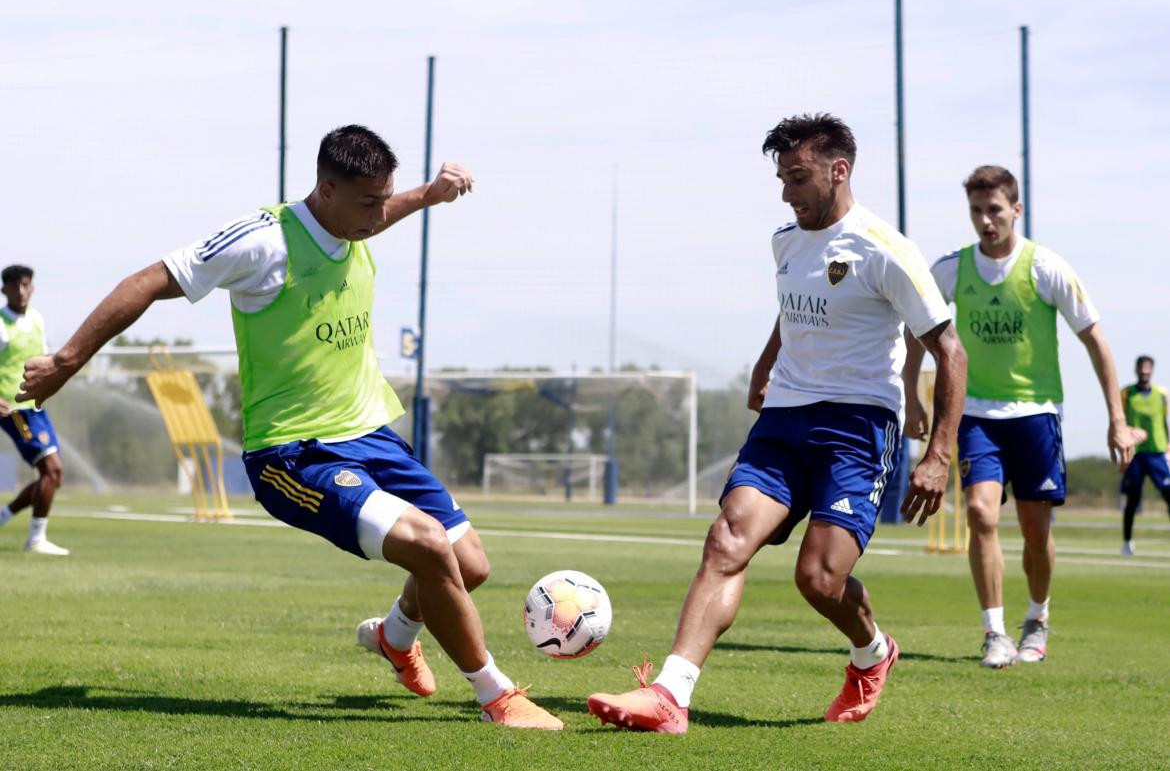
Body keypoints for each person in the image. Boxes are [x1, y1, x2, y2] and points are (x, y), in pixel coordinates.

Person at [18, 125, 562, 730]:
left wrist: (428, 195)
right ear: (326, 190)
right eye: (368, 202)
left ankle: (395, 635)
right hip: (294, 455)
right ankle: (497, 696)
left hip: (372, 434)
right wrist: (66, 361)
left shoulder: (359, 220)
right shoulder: (262, 242)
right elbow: (147, 281)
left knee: (469, 565)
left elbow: (383, 212)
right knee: (430, 547)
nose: (380, 215)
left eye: (386, 200)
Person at [586, 113, 967, 732]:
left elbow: (950, 349)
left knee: (818, 578)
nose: (788, 192)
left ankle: (873, 652)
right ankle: (670, 695)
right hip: (786, 418)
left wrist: (938, 454)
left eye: (798, 177)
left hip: (859, 427)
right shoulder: (786, 241)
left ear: (838, 170)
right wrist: (765, 367)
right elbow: (793, 310)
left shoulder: (885, 249)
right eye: (783, 179)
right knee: (727, 539)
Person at [904, 164, 1139, 669]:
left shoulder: (1045, 267)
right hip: (977, 415)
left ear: (1016, 209)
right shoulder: (952, 269)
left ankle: (1037, 620)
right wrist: (911, 392)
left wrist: (1116, 418)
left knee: (1036, 533)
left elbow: (1095, 339)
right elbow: (914, 328)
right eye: (976, 211)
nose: (986, 221)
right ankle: (994, 633)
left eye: (994, 210)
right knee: (980, 515)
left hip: (1036, 416)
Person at [0, 264, 69, 555]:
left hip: (35, 405)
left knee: (53, 476)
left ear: (33, 288)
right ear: (4, 290)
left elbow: (42, 358)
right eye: (14, 286)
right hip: (12, 407)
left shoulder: (37, 320)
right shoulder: (1, 323)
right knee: (52, 470)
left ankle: (4, 516)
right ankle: (36, 539)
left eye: (25, 285)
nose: (21, 291)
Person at [1119, 355, 1170, 556]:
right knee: (1133, 499)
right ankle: (1127, 542)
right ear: (1137, 369)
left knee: (1169, 494)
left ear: (1152, 370)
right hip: (1135, 454)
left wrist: (1168, 447)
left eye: (1148, 367)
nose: (1144, 371)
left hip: (1157, 453)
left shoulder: (1161, 394)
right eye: (1141, 367)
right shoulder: (1127, 393)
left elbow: (1164, 422)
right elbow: (1119, 421)